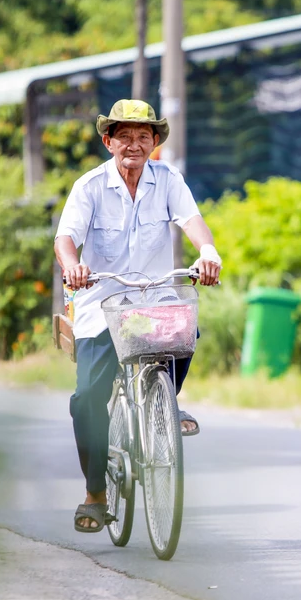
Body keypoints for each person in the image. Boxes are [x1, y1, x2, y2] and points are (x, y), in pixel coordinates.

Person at [54, 99, 222, 532]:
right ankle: (95, 494)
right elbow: (66, 238)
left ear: (154, 142)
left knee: (185, 329)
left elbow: (192, 220)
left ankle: (166, 402)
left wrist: (208, 251)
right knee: (87, 399)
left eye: (143, 136)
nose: (134, 144)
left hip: (153, 298)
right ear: (108, 141)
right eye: (124, 136)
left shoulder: (167, 180)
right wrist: (72, 266)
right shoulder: (89, 186)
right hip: (103, 304)